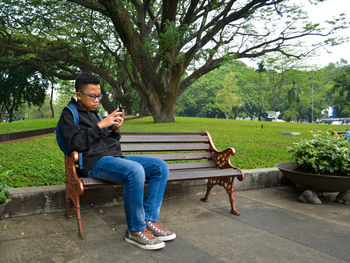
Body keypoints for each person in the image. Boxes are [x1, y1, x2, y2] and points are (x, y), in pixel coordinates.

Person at [59, 72, 176, 250]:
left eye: (99, 95)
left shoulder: (96, 115)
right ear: (79, 95)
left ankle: (148, 220)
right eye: (92, 96)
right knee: (134, 170)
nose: (97, 99)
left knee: (160, 167)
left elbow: (110, 143)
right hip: (92, 162)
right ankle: (135, 230)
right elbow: (76, 144)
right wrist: (101, 125)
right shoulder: (69, 115)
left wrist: (114, 130)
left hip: (113, 158)